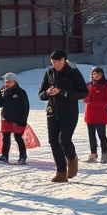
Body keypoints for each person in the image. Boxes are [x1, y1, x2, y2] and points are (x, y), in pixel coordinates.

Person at [39, 49, 89, 182]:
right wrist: (48, 93)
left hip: (69, 113)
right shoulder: (49, 73)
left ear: (63, 60)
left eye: (57, 62)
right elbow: (41, 94)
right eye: (52, 62)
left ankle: (72, 159)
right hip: (52, 112)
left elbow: (83, 93)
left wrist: (63, 92)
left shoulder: (73, 73)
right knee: (53, 141)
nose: (54, 65)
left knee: (64, 139)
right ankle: (61, 171)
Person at [0, 72, 30, 165]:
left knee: (18, 138)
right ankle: (4, 155)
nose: (7, 84)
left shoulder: (21, 93)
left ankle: (23, 156)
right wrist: (0, 94)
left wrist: (23, 120)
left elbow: (25, 107)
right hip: (6, 119)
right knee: (5, 138)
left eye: (9, 82)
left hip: (17, 120)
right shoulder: (5, 92)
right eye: (6, 82)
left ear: (15, 82)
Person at [83, 66, 107, 164]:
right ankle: (93, 154)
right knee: (91, 134)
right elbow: (84, 97)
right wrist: (86, 100)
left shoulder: (106, 84)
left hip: (101, 112)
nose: (94, 76)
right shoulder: (89, 85)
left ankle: (104, 153)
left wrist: (100, 104)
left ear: (101, 75)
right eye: (93, 74)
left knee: (101, 134)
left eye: (97, 74)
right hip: (90, 112)